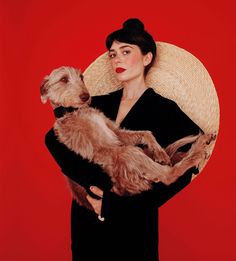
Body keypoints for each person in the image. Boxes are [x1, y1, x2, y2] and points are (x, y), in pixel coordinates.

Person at [45, 18, 201, 261]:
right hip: (87, 227)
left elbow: (185, 168)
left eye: (125, 51)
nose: (117, 58)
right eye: (112, 53)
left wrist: (118, 206)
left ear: (147, 58)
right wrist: (101, 184)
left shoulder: (165, 110)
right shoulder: (94, 103)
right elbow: (54, 140)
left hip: (133, 229)